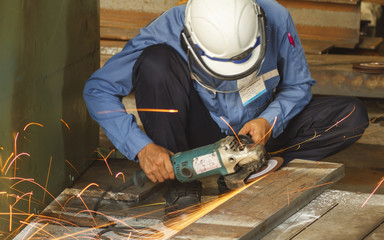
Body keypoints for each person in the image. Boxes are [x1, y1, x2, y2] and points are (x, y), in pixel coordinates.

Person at [83, 0, 369, 214]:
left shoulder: (276, 17)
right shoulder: (168, 29)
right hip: (196, 139)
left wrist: (270, 120)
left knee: (350, 117)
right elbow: (98, 90)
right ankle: (183, 186)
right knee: (155, 65)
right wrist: (141, 147)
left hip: (259, 135)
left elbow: (298, 85)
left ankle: (252, 170)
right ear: (190, 38)